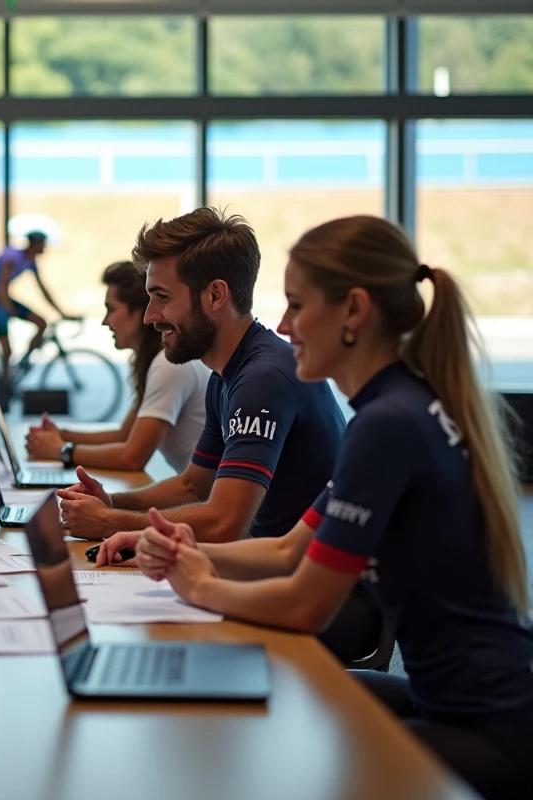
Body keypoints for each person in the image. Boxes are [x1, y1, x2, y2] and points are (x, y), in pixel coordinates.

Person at [125, 215, 533, 799]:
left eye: (296, 306)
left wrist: (200, 584)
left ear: (354, 312)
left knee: (282, 750)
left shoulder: (387, 426)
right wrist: (191, 550)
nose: (284, 325)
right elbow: (293, 547)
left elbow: (304, 606)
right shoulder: (392, 408)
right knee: (272, 703)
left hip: (492, 728)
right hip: (453, 699)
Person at [59, 209, 377, 664]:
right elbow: (193, 485)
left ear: (214, 295)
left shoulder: (263, 377)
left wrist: (113, 526)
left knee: (153, 636)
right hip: (276, 569)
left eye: (161, 297)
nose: (151, 316)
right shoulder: (225, 375)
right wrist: (113, 505)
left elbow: (226, 523)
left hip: (329, 597)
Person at [25, 260, 208, 474]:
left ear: (140, 312)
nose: (105, 321)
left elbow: (133, 457)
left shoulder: (169, 364)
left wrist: (61, 450)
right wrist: (61, 435)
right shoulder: (156, 360)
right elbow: (124, 435)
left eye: (111, 309)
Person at [0, 230, 70, 385]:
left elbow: (43, 289)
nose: (45, 248)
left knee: (41, 323)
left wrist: (62, 312)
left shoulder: (30, 261)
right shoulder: (12, 257)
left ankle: (25, 360)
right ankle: (4, 383)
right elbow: (1, 286)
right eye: (43, 245)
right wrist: (7, 308)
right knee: (7, 348)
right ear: (35, 245)